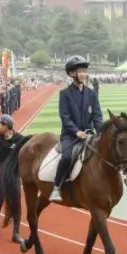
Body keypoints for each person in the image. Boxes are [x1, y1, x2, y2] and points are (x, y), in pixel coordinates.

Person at [50, 55, 102, 202]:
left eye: (84, 71)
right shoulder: (64, 94)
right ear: (72, 74)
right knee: (66, 157)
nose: (82, 74)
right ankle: (56, 187)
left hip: (89, 134)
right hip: (70, 135)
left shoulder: (91, 93)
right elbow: (65, 118)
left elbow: (97, 116)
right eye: (79, 72)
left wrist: (101, 132)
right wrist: (76, 132)